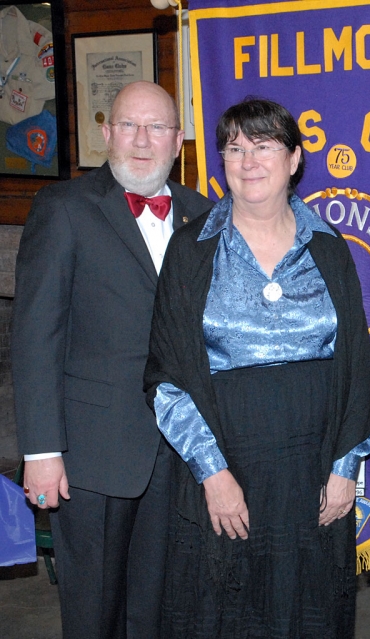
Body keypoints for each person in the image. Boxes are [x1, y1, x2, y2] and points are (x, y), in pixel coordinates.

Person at [144, 97, 370, 638]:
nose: (247, 160)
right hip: (226, 463)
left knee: (307, 609)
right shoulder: (191, 249)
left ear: (294, 159)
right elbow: (166, 376)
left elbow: (355, 369)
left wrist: (346, 471)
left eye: (263, 146)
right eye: (234, 148)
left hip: (312, 470)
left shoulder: (328, 247)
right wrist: (212, 472)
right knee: (224, 614)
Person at [12, 81, 213, 639]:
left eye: (157, 128)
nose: (142, 140)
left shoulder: (204, 215)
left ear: (178, 140)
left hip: (179, 459)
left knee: (159, 610)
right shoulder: (64, 208)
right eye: (129, 125)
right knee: (93, 613)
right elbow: (35, 338)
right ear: (106, 133)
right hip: (91, 455)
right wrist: (42, 451)